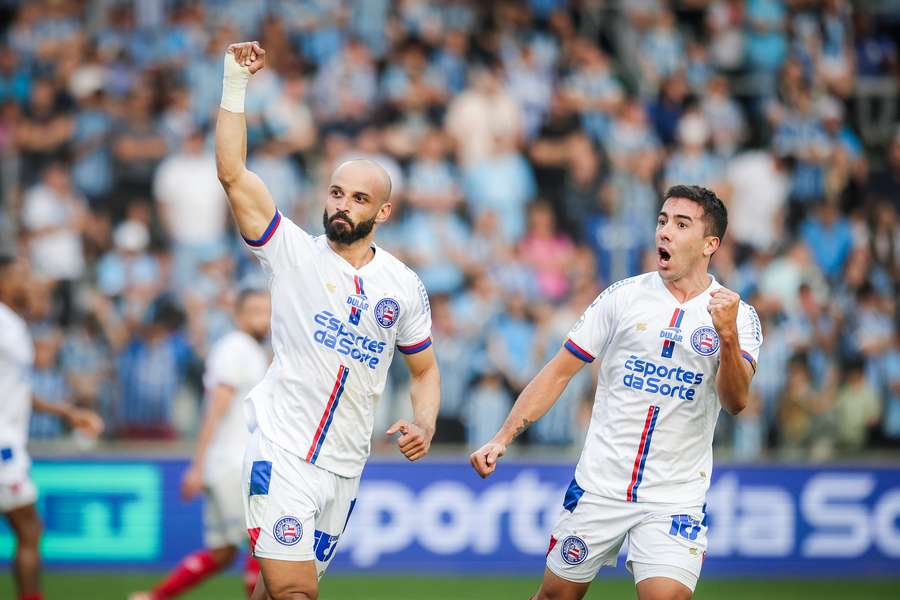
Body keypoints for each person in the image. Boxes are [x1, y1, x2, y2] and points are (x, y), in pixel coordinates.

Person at [216, 42, 441, 600]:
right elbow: (233, 174)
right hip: (283, 449)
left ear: (382, 212)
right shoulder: (291, 252)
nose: (342, 204)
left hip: (345, 466)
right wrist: (234, 84)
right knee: (296, 594)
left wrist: (425, 422)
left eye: (358, 198)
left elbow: (424, 370)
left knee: (274, 592)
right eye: (337, 192)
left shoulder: (403, 286)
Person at [470, 185, 763, 600]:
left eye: (681, 224)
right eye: (662, 221)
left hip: (674, 496)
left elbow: (736, 402)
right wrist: (502, 438)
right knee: (555, 597)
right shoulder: (623, 297)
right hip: (601, 486)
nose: (665, 232)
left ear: (709, 244)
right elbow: (557, 372)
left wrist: (728, 336)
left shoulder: (739, 317)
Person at [130, 289, 273, 600]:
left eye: (267, 310)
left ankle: (152, 598)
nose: (263, 318)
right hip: (234, 465)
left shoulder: (246, 349)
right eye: (255, 311)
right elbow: (216, 408)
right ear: (238, 315)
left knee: (222, 552)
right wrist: (197, 465)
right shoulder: (238, 348)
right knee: (261, 548)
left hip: (223, 464)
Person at [0, 256, 104, 600]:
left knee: (29, 529)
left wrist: (65, 412)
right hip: (3, 446)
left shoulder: (13, 325)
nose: (29, 284)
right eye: (20, 276)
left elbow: (16, 387)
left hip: (10, 440)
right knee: (30, 529)